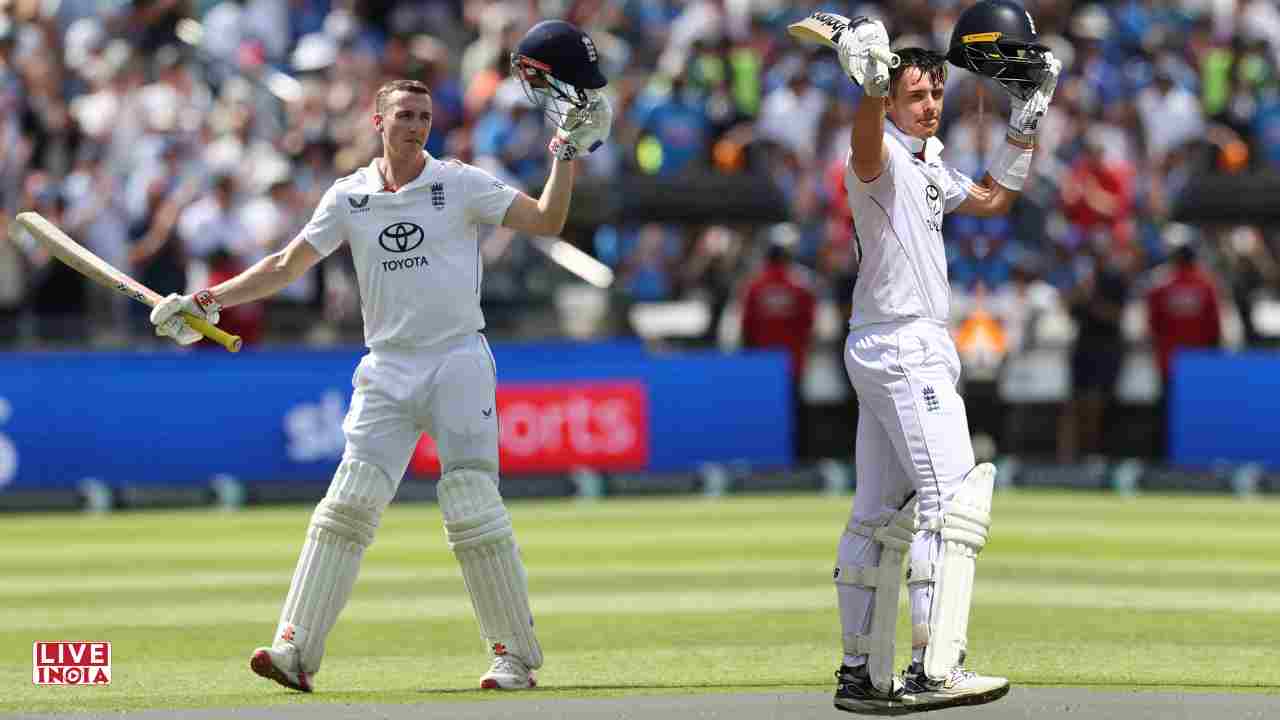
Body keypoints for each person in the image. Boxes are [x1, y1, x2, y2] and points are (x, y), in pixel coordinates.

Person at [147, 20, 613, 692]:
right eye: (404, 115)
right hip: (387, 366)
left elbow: (545, 221)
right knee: (346, 505)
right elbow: (286, 263)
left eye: (425, 115)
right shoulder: (350, 196)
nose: (416, 125)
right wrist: (207, 300)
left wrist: (564, 155)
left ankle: (514, 658)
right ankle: (293, 652)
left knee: (472, 507)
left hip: (456, 357)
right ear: (378, 120)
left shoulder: (460, 183)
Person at [828, 2, 1060, 714]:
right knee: (953, 499)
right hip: (904, 345)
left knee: (876, 514)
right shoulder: (883, 157)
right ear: (892, 101)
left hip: (887, 344)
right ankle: (936, 667)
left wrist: (1027, 115)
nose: (930, 104)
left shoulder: (927, 163)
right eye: (916, 95)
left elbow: (992, 200)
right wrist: (869, 88)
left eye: (936, 92)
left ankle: (862, 675)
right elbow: (865, 149)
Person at [739, 234, 817, 459]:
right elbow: (810, 323)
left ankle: (765, 457)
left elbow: (746, 325)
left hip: (764, 365)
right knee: (795, 412)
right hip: (794, 362)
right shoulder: (801, 286)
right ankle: (798, 458)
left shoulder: (755, 286)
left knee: (765, 414)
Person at [1145, 233, 1222, 458]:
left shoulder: (1160, 286)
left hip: (1169, 361)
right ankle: (1197, 456)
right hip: (1198, 363)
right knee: (1198, 413)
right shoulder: (1206, 285)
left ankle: (1165, 458)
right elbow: (1215, 327)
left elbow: (1152, 325)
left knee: (1168, 412)